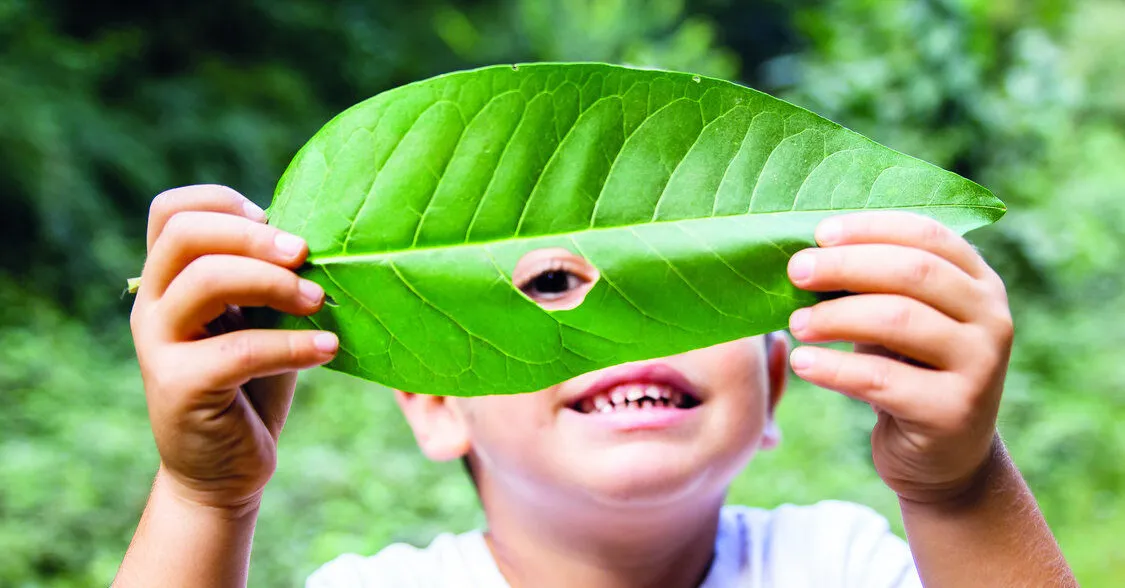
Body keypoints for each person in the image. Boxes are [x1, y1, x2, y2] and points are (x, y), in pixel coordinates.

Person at [112, 185, 1076, 587]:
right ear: (436, 401)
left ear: (773, 387)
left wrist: (959, 487)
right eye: (544, 286)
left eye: (680, 292)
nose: (611, 326)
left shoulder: (841, 565)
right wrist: (206, 496)